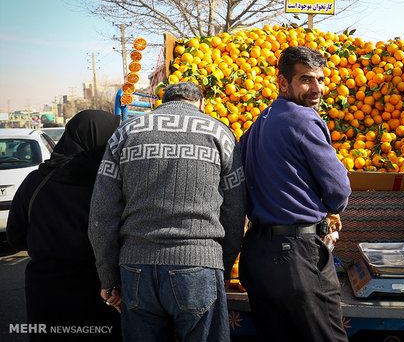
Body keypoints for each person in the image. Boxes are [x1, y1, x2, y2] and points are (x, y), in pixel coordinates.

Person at [88, 82, 246, 342]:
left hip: (136, 268)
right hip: (199, 265)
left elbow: (101, 215)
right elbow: (234, 211)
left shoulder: (125, 133)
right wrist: (224, 268)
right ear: (201, 103)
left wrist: (108, 277)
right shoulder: (221, 133)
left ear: (163, 101)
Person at [239, 46, 351, 342]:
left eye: (321, 79)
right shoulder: (304, 119)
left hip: (259, 255)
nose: (316, 88)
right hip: (297, 257)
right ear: (282, 83)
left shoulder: (258, 123)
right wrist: (330, 205)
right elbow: (338, 190)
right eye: (306, 80)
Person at [7, 110, 122, 341]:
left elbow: (15, 237)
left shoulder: (36, 181)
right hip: (103, 291)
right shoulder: (112, 184)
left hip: (47, 292)